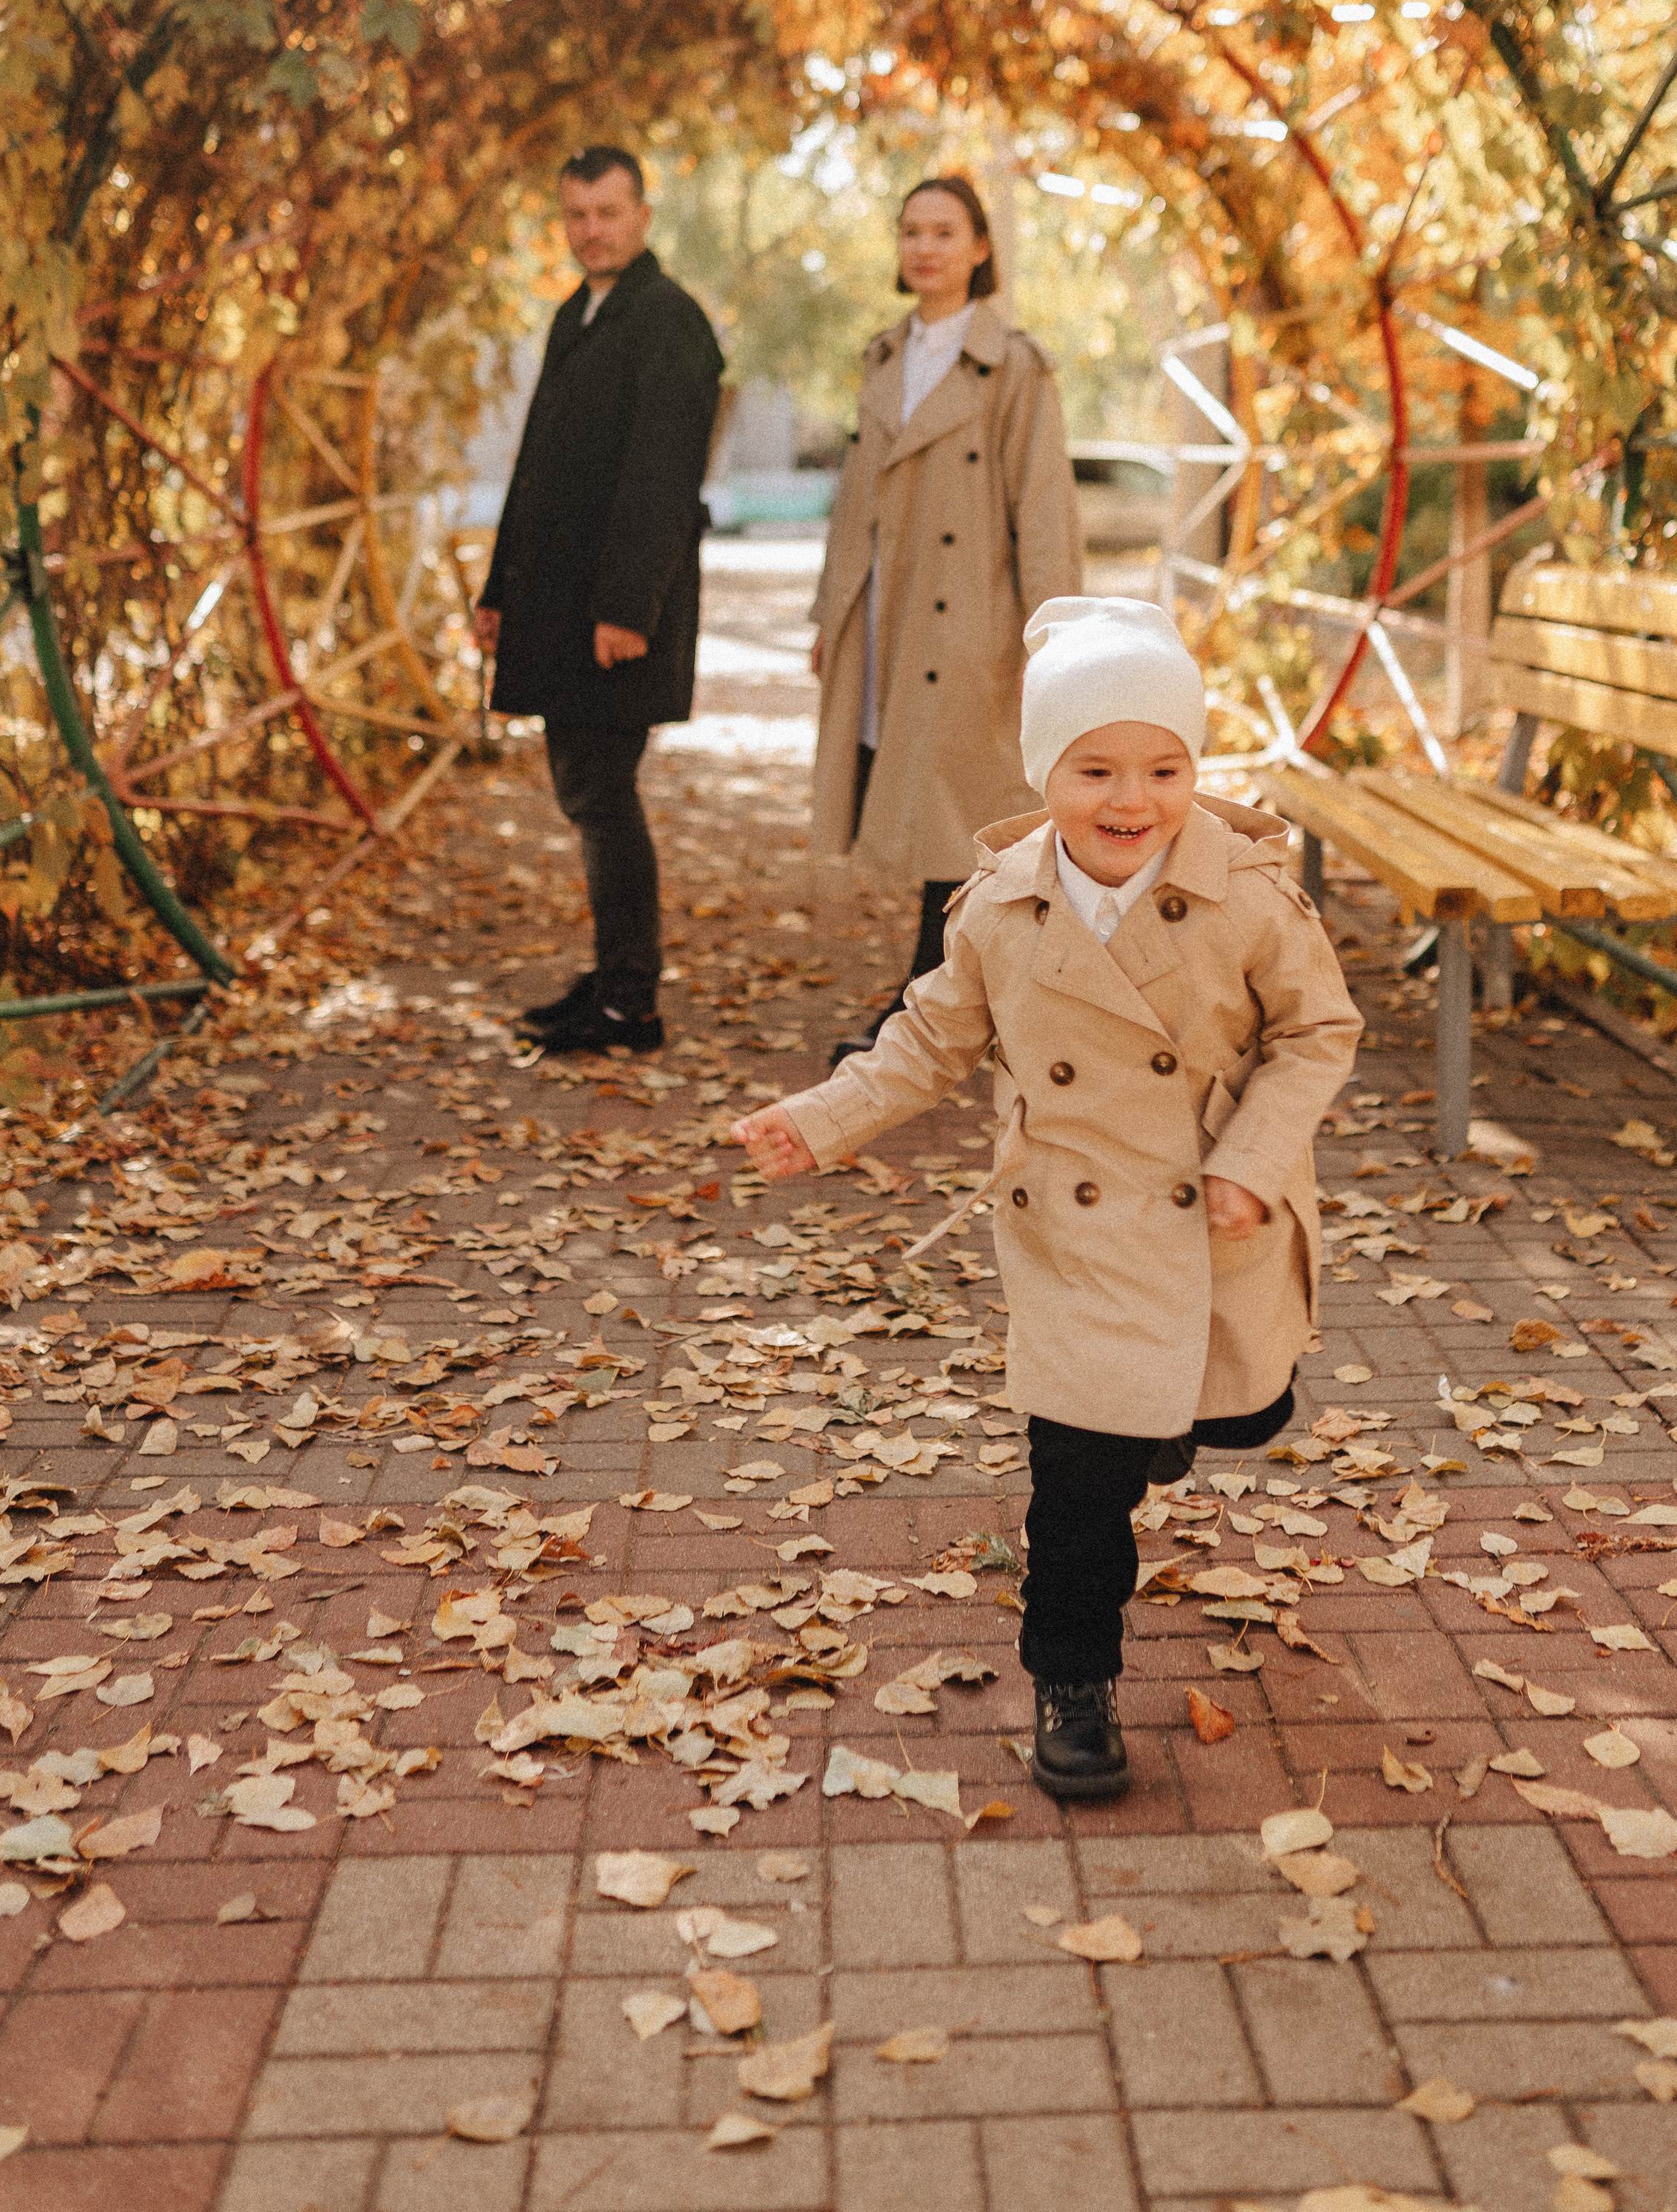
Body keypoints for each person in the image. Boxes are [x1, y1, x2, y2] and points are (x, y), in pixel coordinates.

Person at [734, 598, 1361, 1801]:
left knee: (1243, 1415)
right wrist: (819, 1124)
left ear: (1195, 769)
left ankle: (1181, 1414)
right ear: (1046, 771)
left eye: (1166, 767)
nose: (1133, 799)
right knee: (1078, 1484)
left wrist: (1250, 1160)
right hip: (1075, 1239)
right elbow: (925, 1046)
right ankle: (1073, 1685)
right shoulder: (998, 910)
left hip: (1214, 1212)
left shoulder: (1248, 898)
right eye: (1097, 769)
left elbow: (1317, 1032)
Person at [809, 174, 1082, 1061]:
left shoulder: (1014, 365)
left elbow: (1040, 509)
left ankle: (927, 1003)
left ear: (978, 248)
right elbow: (855, 501)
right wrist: (830, 614)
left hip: (970, 618)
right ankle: (952, 997)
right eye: (910, 231)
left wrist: (1055, 636)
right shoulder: (883, 357)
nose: (924, 248)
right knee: (921, 797)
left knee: (959, 808)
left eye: (943, 232)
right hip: (887, 612)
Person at [474, 146, 723, 1057]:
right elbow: (535, 467)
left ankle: (630, 1004)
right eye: (577, 215)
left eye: (609, 213)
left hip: (617, 614)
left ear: (642, 217)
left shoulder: (669, 321)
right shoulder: (576, 317)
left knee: (602, 792)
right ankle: (616, 977)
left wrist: (628, 610)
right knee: (586, 790)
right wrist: (498, 589)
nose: (592, 231)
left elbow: (662, 477)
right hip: (555, 605)